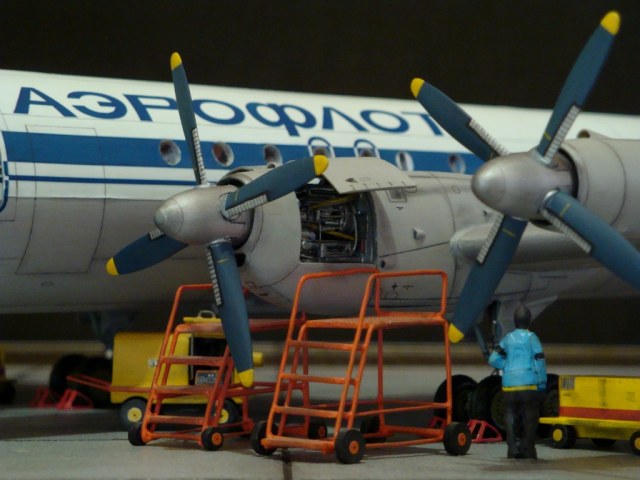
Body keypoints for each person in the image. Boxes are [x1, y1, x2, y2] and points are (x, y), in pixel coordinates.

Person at [488, 304, 546, 460]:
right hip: (528, 384)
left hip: (510, 384)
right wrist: (542, 384)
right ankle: (528, 448)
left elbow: (493, 359)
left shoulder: (508, 339)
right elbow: (539, 362)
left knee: (509, 412)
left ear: (514, 321)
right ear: (529, 320)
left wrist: (506, 366)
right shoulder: (532, 338)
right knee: (530, 414)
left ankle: (512, 448)